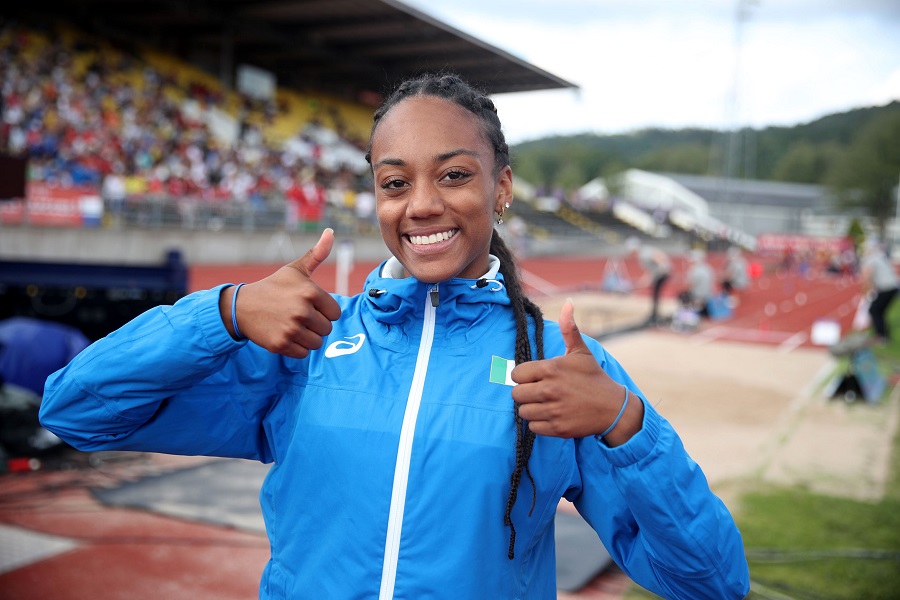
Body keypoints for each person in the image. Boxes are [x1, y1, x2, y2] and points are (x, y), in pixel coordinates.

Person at [40, 73, 750, 599]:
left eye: (454, 175)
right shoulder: (309, 344)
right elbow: (77, 409)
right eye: (394, 182)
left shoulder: (559, 370)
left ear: (501, 188)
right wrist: (221, 312)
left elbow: (713, 582)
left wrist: (629, 425)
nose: (423, 205)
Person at [859, 239, 899, 344]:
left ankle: (881, 336)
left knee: (874, 310)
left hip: (887, 288)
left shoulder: (870, 259)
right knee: (879, 311)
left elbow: (867, 277)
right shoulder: (880, 257)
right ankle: (884, 334)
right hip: (892, 287)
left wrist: (865, 291)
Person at [626, 236, 672, 325]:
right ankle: (654, 314)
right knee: (654, 293)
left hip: (662, 273)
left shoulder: (644, 252)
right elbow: (649, 274)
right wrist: (640, 284)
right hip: (659, 274)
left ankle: (654, 315)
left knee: (655, 293)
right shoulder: (641, 256)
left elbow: (657, 255)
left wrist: (663, 266)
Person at [684, 248, 715, 318]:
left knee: (683, 295)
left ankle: (689, 312)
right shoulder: (709, 268)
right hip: (709, 294)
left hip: (698, 295)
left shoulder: (693, 270)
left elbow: (690, 285)